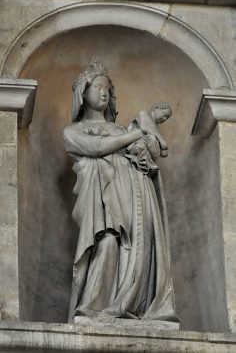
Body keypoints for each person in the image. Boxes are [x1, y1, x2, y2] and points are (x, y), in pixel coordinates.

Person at [63, 58, 178, 323]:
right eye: (97, 87)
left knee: (136, 248)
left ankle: (130, 302)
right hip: (100, 199)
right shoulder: (73, 130)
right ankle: (92, 308)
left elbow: (151, 154)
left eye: (108, 89)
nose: (104, 92)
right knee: (106, 243)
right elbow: (95, 148)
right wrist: (134, 135)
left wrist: (148, 127)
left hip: (133, 194)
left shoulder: (122, 129)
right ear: (83, 93)